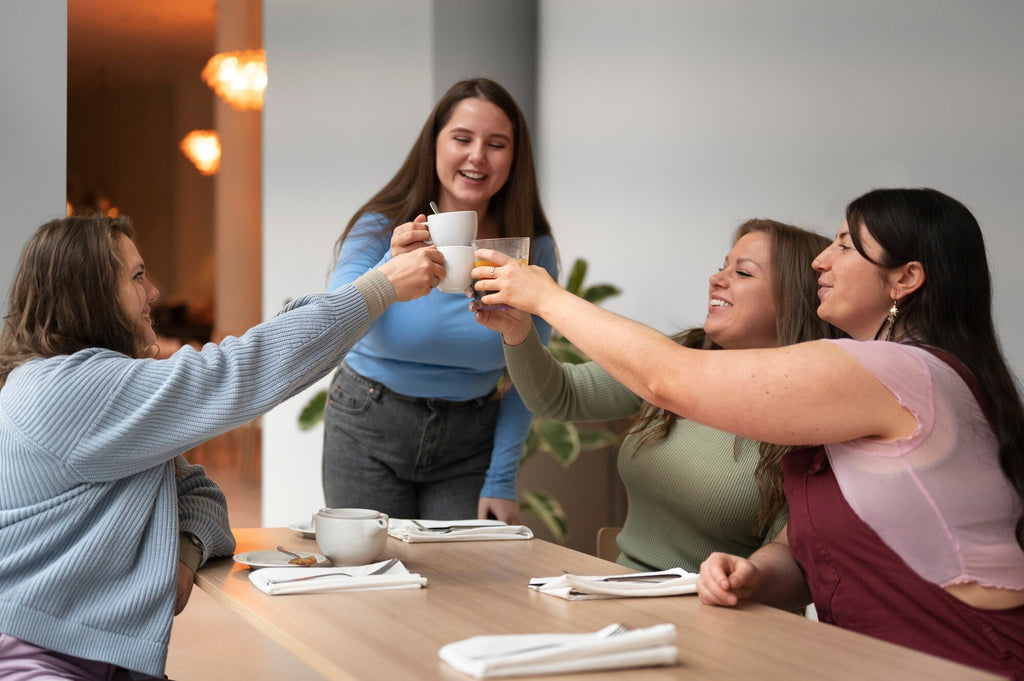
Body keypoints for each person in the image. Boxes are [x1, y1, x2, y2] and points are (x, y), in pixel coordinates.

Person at [471, 187, 1024, 679]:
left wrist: (545, 297)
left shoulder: (894, 370)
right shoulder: (878, 378)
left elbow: (666, 378)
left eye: (845, 246)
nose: (820, 262)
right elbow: (801, 542)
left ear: (906, 278)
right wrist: (757, 573)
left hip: (955, 654)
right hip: (876, 656)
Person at [0, 213, 444, 679]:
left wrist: (185, 551)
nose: (153, 293)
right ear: (89, 295)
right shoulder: (62, 391)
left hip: (104, 657)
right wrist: (380, 287)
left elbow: (200, 495)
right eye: (136, 277)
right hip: (30, 656)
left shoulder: (99, 397)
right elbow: (237, 370)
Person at [476, 219, 840, 572]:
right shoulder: (685, 353)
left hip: (722, 613)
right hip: (623, 589)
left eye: (742, 273)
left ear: (793, 299)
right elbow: (558, 396)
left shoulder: (807, 415)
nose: (716, 279)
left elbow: (788, 563)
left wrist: (547, 298)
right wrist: (517, 331)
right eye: (722, 267)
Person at [322, 77, 558, 523]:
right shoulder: (381, 229)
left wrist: (502, 478)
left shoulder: (531, 249)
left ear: (514, 159)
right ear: (434, 145)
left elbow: (531, 376)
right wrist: (389, 272)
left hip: (469, 443)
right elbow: (332, 321)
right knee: (374, 583)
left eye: (497, 143)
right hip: (367, 425)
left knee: (458, 585)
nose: (477, 156)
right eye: (462, 138)